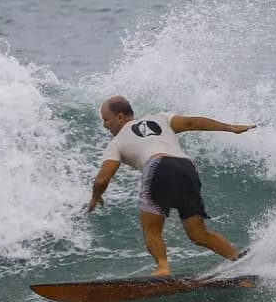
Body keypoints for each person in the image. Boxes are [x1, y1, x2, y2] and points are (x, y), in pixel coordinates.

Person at [87, 95, 255, 276]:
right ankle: (240, 263)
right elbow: (192, 123)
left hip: (157, 167)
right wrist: (230, 128)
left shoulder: (117, 142)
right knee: (198, 234)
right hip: (186, 167)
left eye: (106, 119)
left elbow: (102, 180)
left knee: (152, 229)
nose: (105, 125)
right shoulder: (161, 118)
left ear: (120, 117)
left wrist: (96, 196)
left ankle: (162, 267)